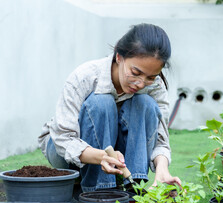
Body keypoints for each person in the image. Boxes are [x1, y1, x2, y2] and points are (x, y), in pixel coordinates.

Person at [38, 23, 181, 193]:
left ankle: (133, 188)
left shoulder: (155, 86)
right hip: (64, 149)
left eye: (150, 77)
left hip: (115, 157)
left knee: (146, 104)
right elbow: (63, 138)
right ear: (119, 57)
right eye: (135, 73)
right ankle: (99, 192)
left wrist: (162, 169)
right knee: (102, 103)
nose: (141, 83)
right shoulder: (85, 76)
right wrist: (101, 157)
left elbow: (160, 139)